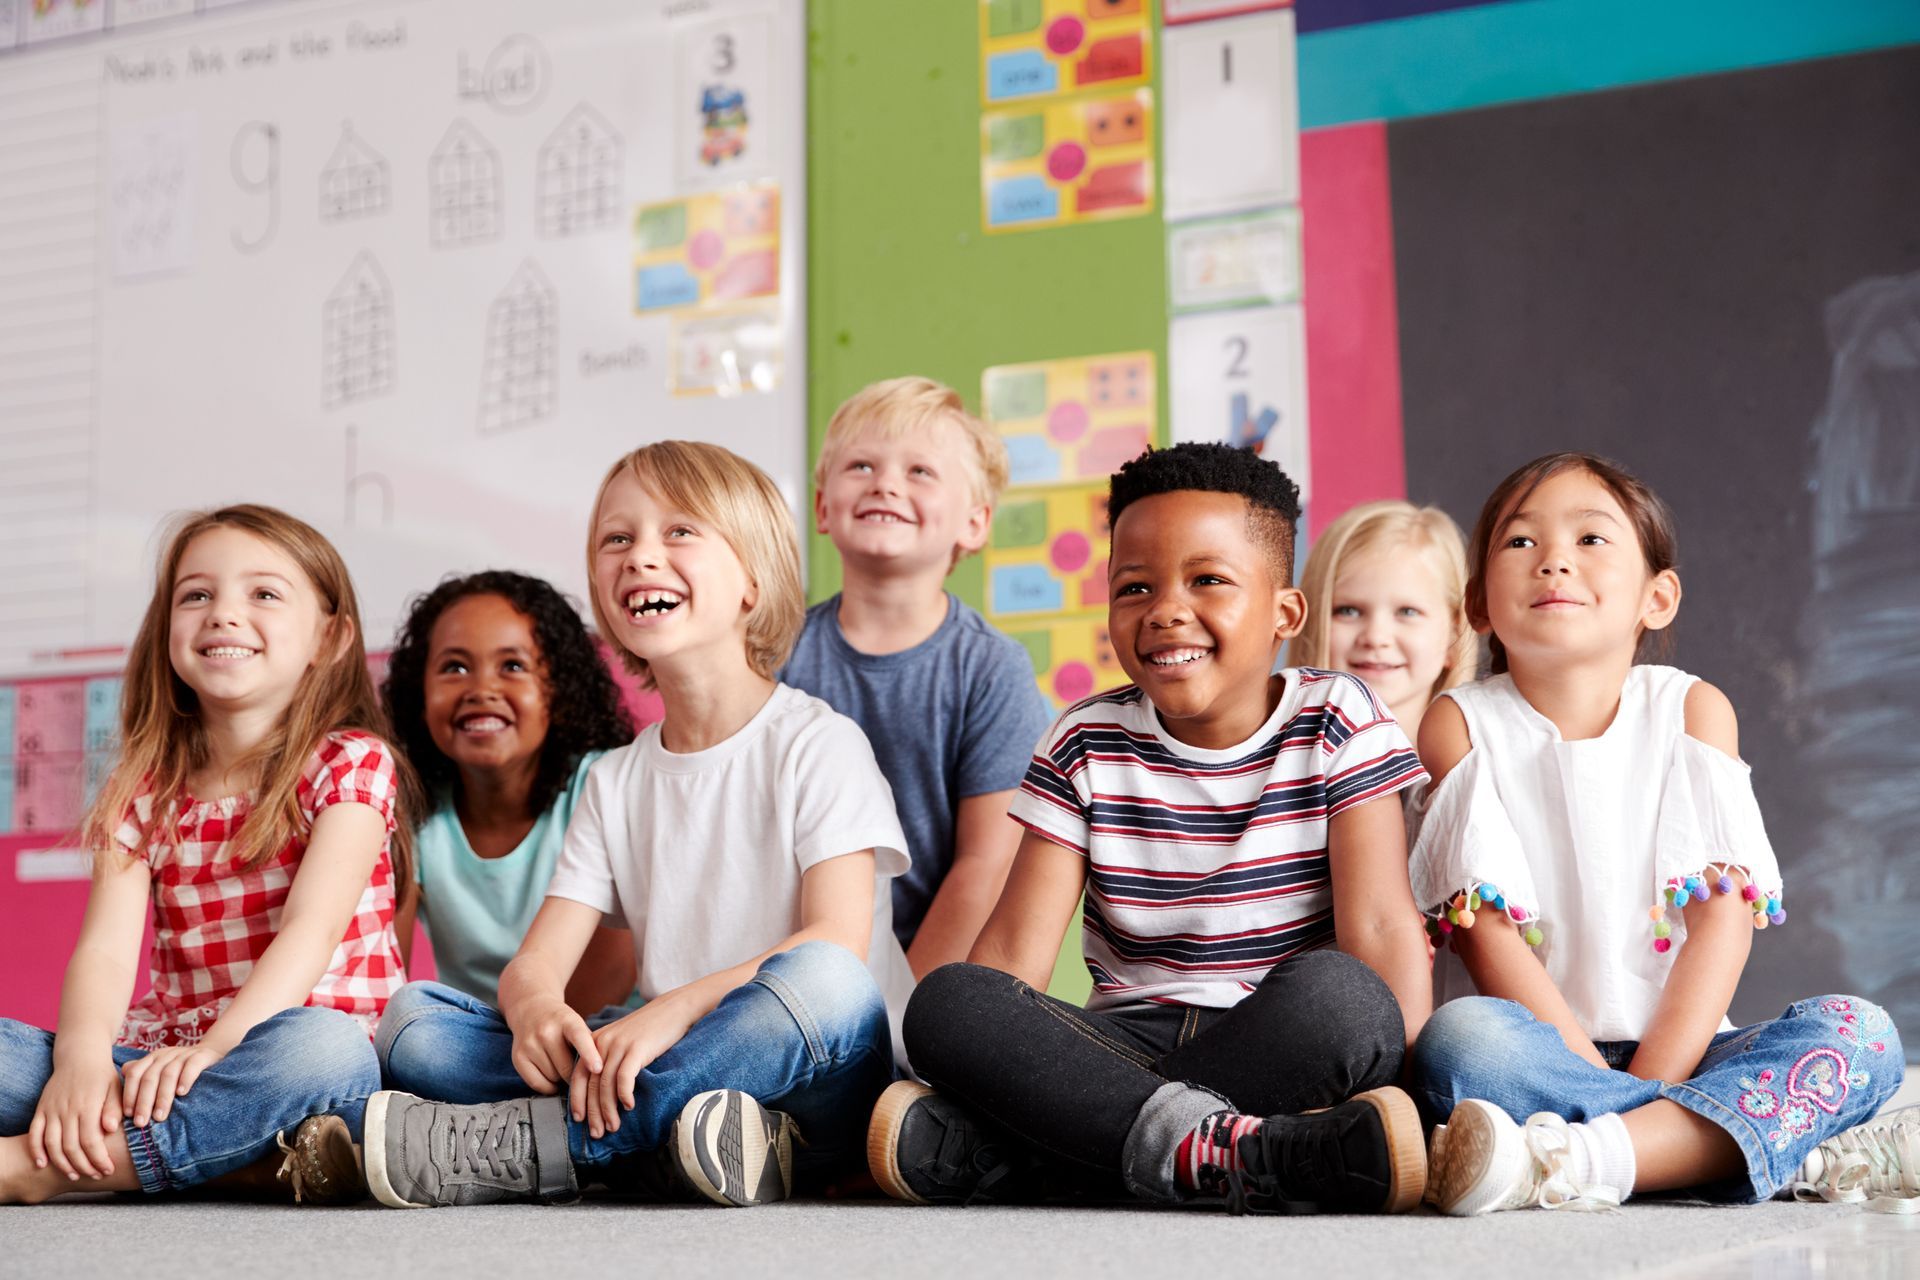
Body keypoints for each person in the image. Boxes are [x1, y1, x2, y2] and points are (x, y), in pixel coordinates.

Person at [870, 443, 1434, 1215]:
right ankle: (1251, 1152)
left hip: (1277, 1036)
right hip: (1117, 1046)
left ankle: (1039, 1158)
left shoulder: (1339, 718)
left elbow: (1379, 925)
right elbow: (1010, 960)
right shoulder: (1084, 740)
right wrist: (973, 1042)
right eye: (1135, 586)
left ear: (1285, 613)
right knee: (948, 1003)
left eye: (1208, 580)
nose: (1166, 608)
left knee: (1346, 1000)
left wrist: (1418, 1099)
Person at [362, 442, 909, 1210]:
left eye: (679, 532)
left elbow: (836, 947)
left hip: (816, 1073)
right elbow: (535, 965)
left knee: (826, 982)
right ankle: (676, 1144)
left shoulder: (819, 743)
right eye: (617, 539)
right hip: (670, 1062)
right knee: (415, 1023)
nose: (641, 556)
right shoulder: (615, 779)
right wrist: (539, 1014)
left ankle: (546, 1148)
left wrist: (671, 1012)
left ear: (753, 580)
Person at [1409, 452, 1904, 1213]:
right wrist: (1631, 1097)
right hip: (1538, 1057)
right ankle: (1721, 1147)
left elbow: (1723, 923)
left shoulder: (1693, 710)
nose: (1554, 564)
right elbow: (1486, 935)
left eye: (1591, 540)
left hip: (1690, 1052)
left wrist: (1657, 1081)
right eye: (1521, 543)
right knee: (1460, 1043)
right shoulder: (1459, 723)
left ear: (1658, 597)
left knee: (1863, 1034)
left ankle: (1587, 1155)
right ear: (1478, 605)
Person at [0, 504, 414, 1206]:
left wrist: (219, 1051)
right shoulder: (144, 787)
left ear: (331, 637)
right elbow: (103, 953)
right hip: (163, 1064)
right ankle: (240, 1158)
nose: (223, 614)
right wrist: (80, 1061)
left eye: (263, 594)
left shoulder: (350, 764)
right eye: (197, 594)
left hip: (292, 1062)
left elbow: (309, 932)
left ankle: (49, 1167)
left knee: (323, 1052)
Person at [783, 377, 1052, 976]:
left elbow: (984, 866)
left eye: (920, 472)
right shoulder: (776, 652)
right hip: (792, 968)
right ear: (823, 506)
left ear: (975, 523)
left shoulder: (990, 669)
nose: (886, 484)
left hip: (923, 976)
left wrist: (897, 1015)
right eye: (860, 465)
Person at [375, 572, 637, 1081]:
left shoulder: (604, 782)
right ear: (418, 692)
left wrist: (542, 1044)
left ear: (559, 688)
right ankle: (537, 1127)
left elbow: (609, 976)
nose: (481, 690)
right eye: (454, 668)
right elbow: (388, 970)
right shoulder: (410, 811)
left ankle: (502, 1123)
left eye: (512, 666)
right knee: (409, 1028)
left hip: (596, 1033)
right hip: (481, 1044)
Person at [1292, 499, 1476, 739]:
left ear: (1455, 633)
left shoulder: (1485, 769)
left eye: (1407, 612)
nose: (1376, 638)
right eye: (1348, 611)